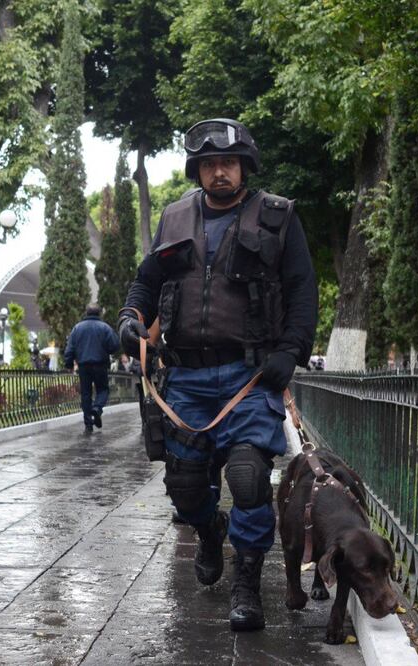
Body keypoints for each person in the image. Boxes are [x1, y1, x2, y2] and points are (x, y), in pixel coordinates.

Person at [118, 118, 318, 632]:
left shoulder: (277, 218)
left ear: (244, 167)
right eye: (209, 165)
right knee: (184, 488)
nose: (219, 172)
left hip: (249, 376)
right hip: (185, 378)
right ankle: (210, 533)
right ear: (198, 170)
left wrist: (291, 350)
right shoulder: (175, 217)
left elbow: (302, 290)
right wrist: (130, 319)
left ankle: (247, 581)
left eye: (228, 163)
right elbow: (147, 282)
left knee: (249, 477)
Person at [63, 305, 120, 433]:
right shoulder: (105, 327)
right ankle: (97, 408)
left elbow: (70, 348)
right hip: (100, 364)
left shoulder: (77, 328)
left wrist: (69, 364)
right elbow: (115, 345)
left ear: (86, 313)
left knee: (86, 393)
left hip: (83, 366)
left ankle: (88, 423)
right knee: (103, 390)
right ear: (99, 313)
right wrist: (107, 350)